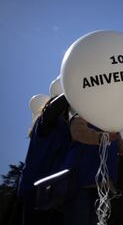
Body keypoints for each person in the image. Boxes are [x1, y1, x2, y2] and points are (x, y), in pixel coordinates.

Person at [63, 115, 123, 225]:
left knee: (94, 221)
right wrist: (101, 137)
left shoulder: (111, 126)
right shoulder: (82, 114)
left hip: (102, 186)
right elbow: (78, 132)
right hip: (79, 182)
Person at [19, 94, 71, 225]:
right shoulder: (45, 123)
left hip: (55, 192)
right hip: (36, 189)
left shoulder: (66, 129)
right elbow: (53, 110)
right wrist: (72, 90)